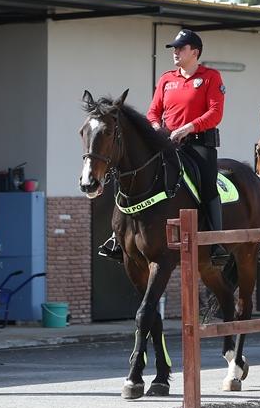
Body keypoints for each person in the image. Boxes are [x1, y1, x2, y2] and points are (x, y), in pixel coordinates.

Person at [97, 28, 229, 267]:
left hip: (198, 144)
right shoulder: (167, 79)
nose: (176, 53)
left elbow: (215, 114)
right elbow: (153, 112)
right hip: (166, 142)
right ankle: (118, 238)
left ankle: (216, 241)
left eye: (181, 48)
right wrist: (156, 127)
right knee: (131, 175)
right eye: (174, 49)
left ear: (195, 52)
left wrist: (188, 128)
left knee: (207, 184)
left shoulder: (211, 77)